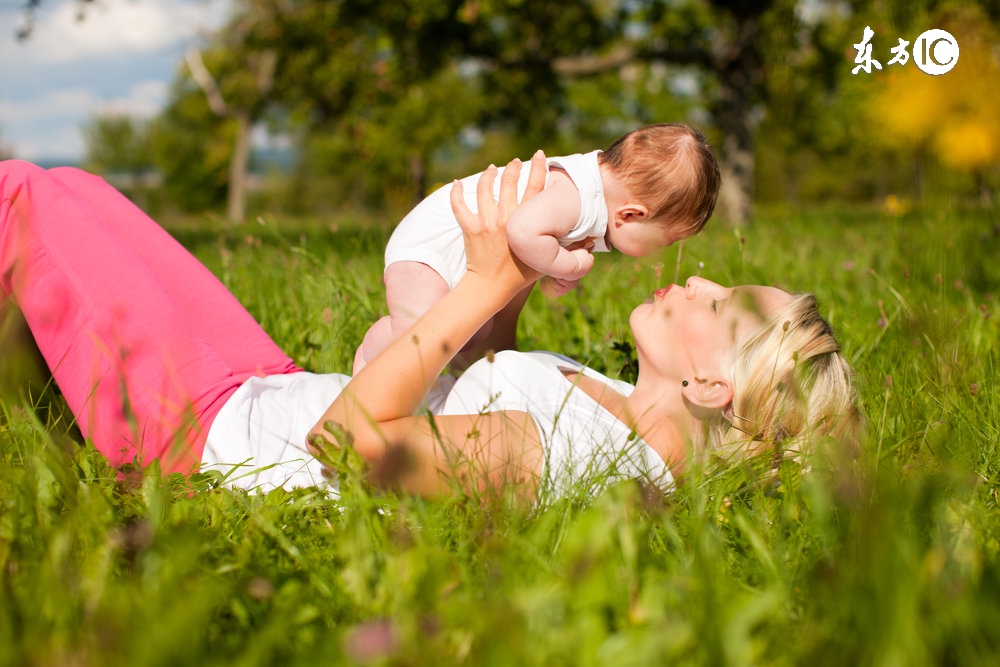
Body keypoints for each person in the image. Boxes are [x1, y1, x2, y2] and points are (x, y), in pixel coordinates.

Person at [0, 155, 860, 500]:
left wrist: (479, 285)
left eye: (720, 305)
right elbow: (480, 377)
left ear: (710, 385)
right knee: (73, 187)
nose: (698, 279)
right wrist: (510, 274)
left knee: (22, 200)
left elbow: (349, 445)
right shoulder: (611, 408)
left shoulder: (574, 457)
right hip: (264, 387)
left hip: (208, 435)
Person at [353, 123, 722, 373]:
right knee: (423, 337)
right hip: (433, 247)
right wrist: (570, 265)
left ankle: (429, 386)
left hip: (458, 250)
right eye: (664, 241)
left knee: (469, 334)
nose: (659, 253)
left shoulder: (592, 196)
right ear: (631, 214)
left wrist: (553, 269)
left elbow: (533, 250)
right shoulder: (576, 197)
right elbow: (522, 231)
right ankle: (375, 350)